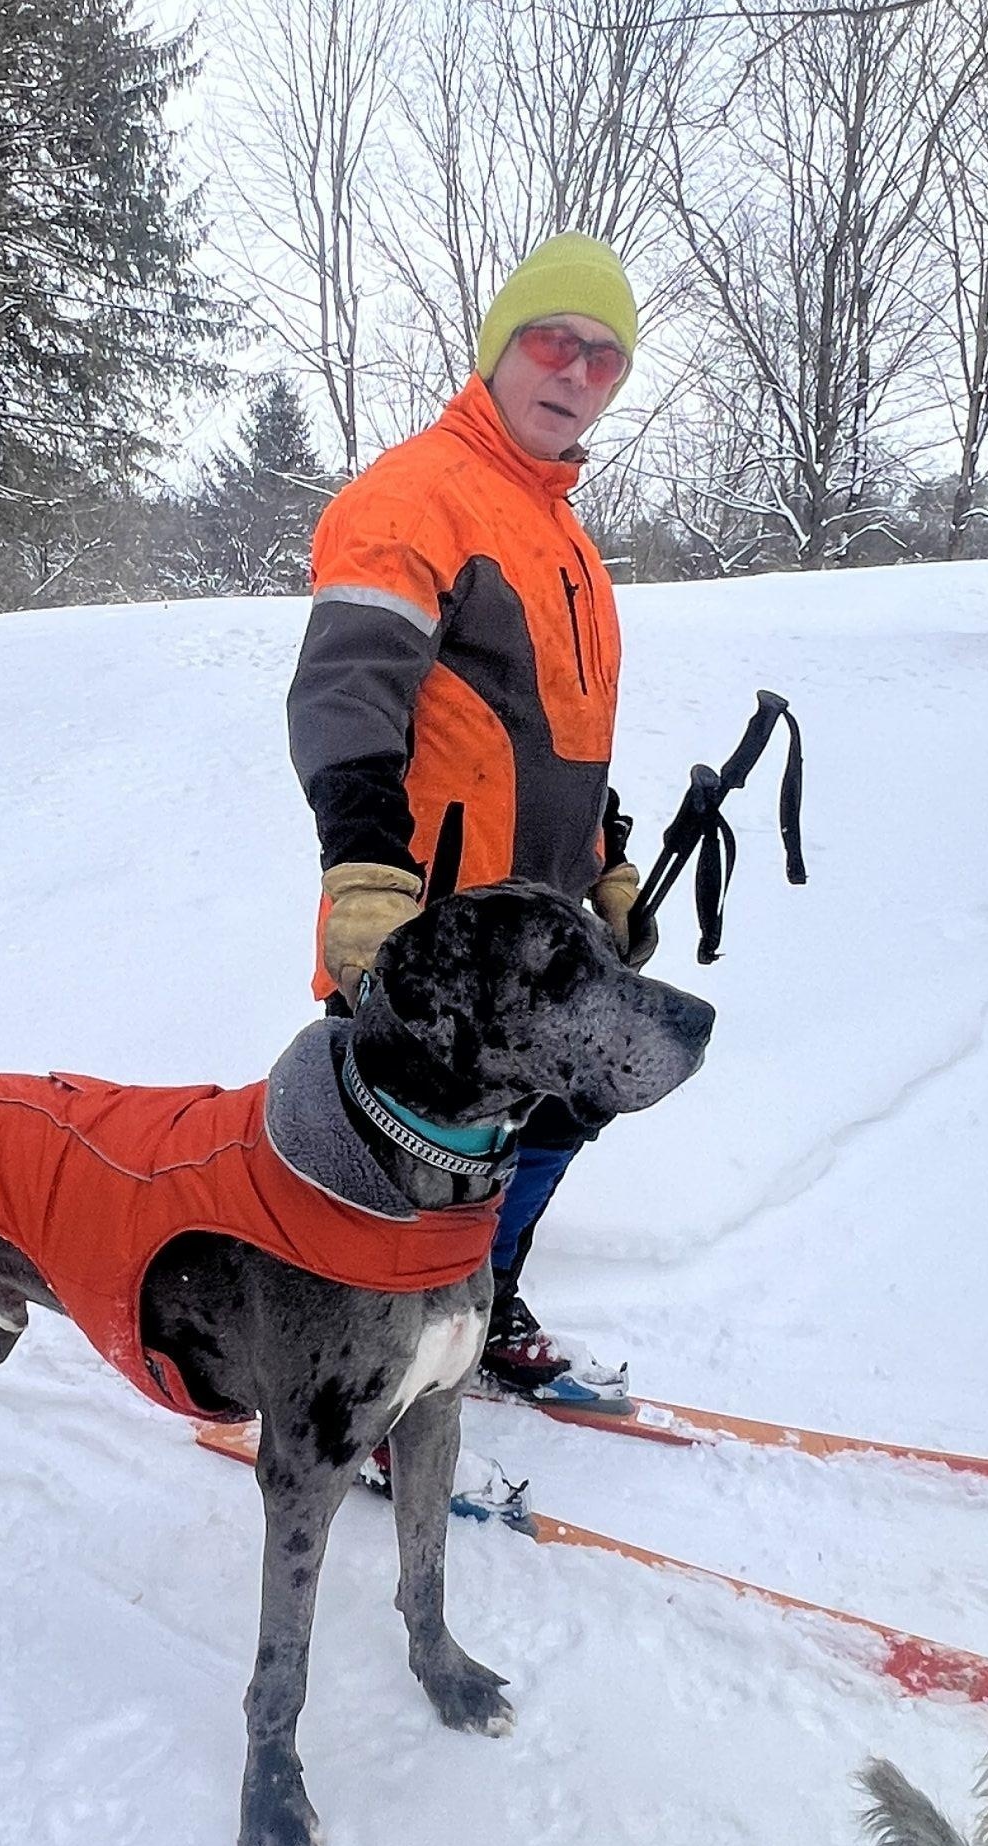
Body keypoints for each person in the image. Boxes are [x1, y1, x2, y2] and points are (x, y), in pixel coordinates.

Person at [286, 232, 645, 1401]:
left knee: (554, 1114)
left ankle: (479, 1301)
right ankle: (351, 1387)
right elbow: (346, 694)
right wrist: (365, 875)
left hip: (536, 934)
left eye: (604, 356)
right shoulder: (416, 496)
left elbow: (560, 739)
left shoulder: (565, 538)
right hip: (431, 933)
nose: (576, 371)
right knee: (399, 1168)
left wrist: (606, 866)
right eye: (552, 341)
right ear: (498, 349)